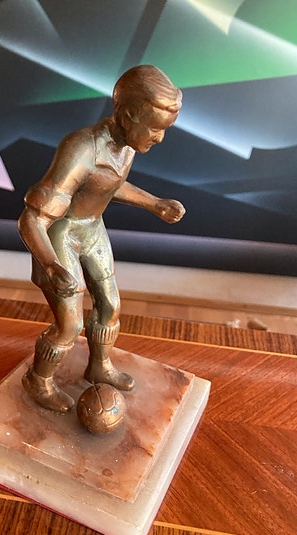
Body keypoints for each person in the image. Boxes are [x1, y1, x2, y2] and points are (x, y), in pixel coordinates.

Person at [18, 65, 185, 413]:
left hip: (92, 229)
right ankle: (39, 379)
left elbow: (108, 184)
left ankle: (99, 366)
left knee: (110, 306)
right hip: (61, 234)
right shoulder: (81, 149)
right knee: (70, 324)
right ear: (128, 115)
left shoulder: (126, 146)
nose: (159, 138)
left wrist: (154, 203)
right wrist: (51, 265)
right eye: (155, 128)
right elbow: (32, 218)